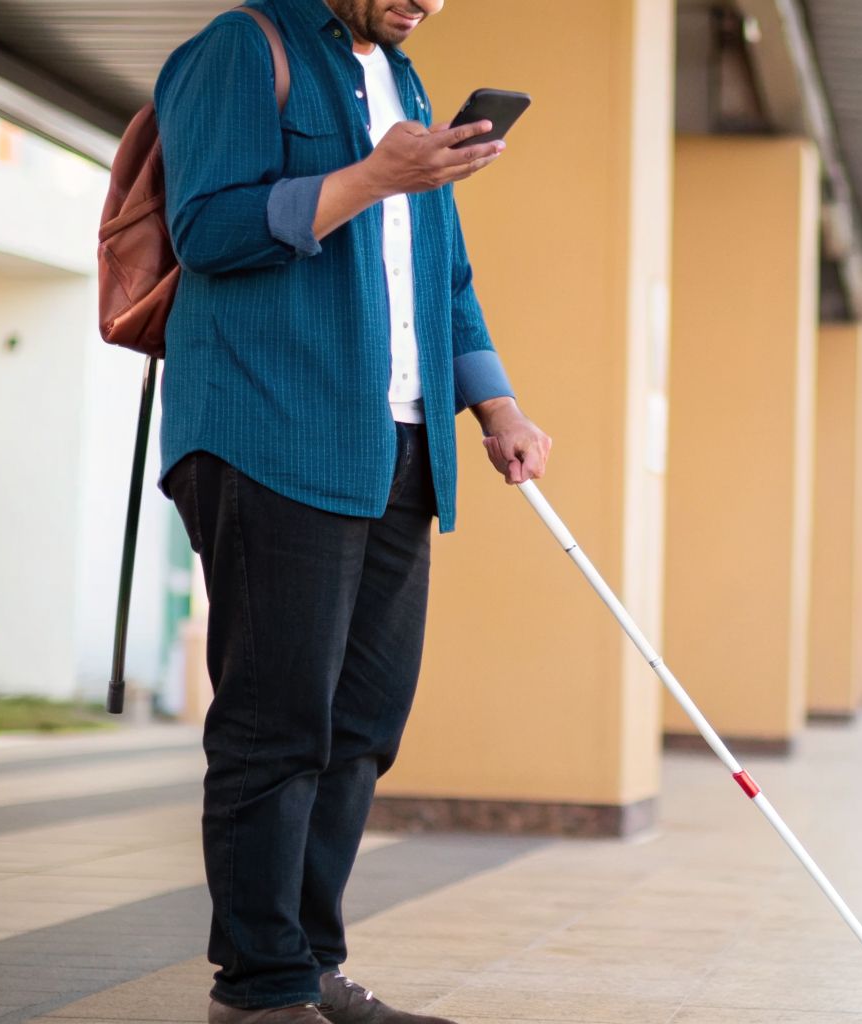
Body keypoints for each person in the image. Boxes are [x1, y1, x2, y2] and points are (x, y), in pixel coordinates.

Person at [153, 1, 549, 1021]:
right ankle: (261, 988)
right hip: (272, 429)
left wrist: (494, 403)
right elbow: (205, 227)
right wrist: (374, 176)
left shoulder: (405, 79)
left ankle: (308, 966)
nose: (428, 0)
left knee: (362, 726)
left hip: (401, 443)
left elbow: (440, 270)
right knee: (277, 723)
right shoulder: (244, 48)